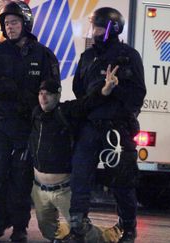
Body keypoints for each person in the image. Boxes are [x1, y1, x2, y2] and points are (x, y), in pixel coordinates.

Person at [0, 1, 60, 242]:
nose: (9, 27)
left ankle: (20, 227)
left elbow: (50, 92)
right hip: (1, 123)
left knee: (21, 179)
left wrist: (1, 86)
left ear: (25, 24)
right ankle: (2, 218)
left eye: (14, 22)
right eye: (6, 23)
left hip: (27, 126)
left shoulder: (43, 55)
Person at [68, 7, 146, 243]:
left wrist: (115, 88)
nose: (95, 31)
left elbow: (138, 94)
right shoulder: (88, 57)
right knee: (80, 177)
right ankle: (77, 226)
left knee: (122, 180)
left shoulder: (128, 56)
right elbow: (78, 89)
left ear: (112, 28)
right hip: (90, 125)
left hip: (117, 128)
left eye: (100, 27)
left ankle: (128, 227)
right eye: (94, 26)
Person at [29, 81, 123, 243]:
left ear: (57, 96)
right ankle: (68, 236)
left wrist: (104, 91)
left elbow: (86, 103)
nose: (43, 97)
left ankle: (110, 236)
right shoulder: (35, 113)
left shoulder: (65, 111)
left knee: (83, 233)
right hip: (39, 190)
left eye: (48, 94)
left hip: (63, 190)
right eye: (41, 93)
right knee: (49, 232)